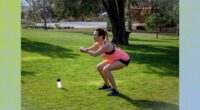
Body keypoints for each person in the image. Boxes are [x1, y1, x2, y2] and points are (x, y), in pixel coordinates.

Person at [80, 28, 130, 96]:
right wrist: (84, 50)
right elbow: (90, 49)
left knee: (106, 69)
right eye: (93, 35)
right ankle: (107, 85)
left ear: (100, 36)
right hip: (114, 59)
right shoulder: (98, 43)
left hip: (123, 59)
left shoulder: (106, 45)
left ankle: (115, 90)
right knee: (99, 67)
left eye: (95, 35)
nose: (93, 36)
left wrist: (85, 51)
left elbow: (95, 54)